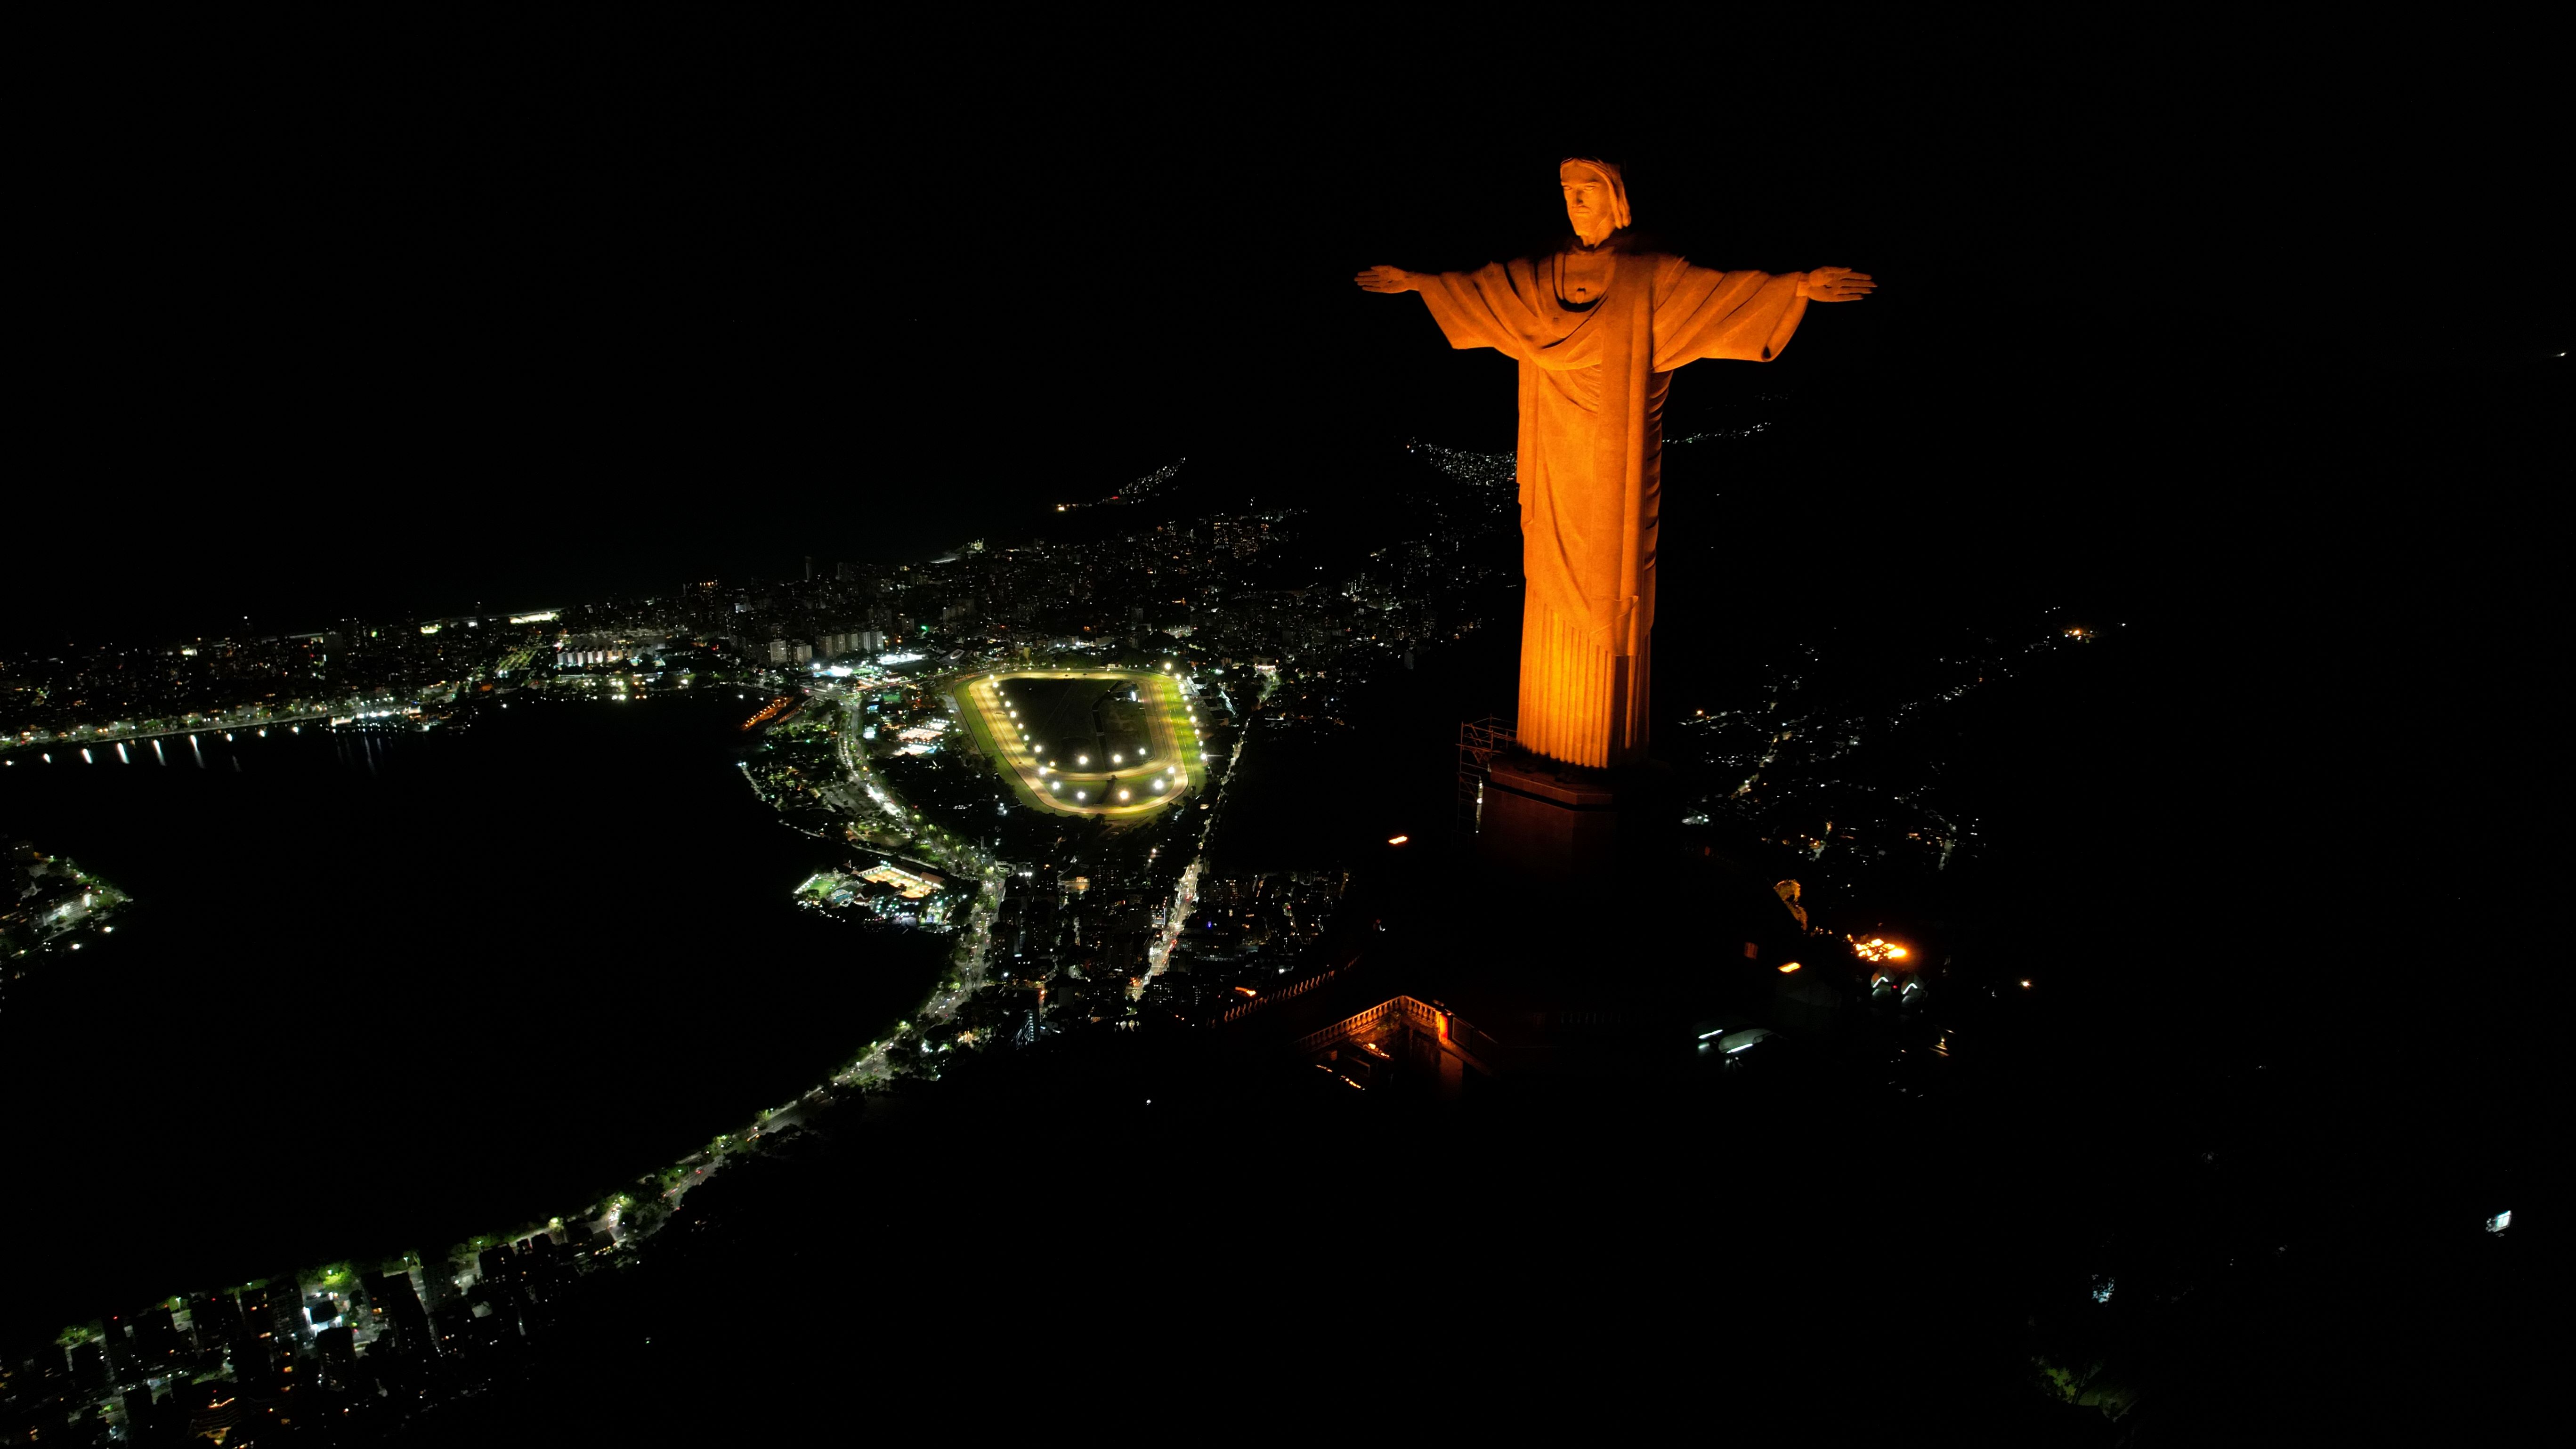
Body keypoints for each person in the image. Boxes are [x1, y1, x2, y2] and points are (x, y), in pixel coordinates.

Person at [1356, 158, 1873, 769]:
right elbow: (1483, 291)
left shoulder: (1647, 273)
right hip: (1552, 453)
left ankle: (1601, 754)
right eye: (1567, 194)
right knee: (1545, 575)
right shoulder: (1542, 271)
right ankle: (1552, 747)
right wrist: (1419, 282)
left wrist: (1798, 287)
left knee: (1612, 588)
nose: (1575, 204)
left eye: (1587, 192)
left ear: (1615, 200)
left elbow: (1724, 294)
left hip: (1615, 461)